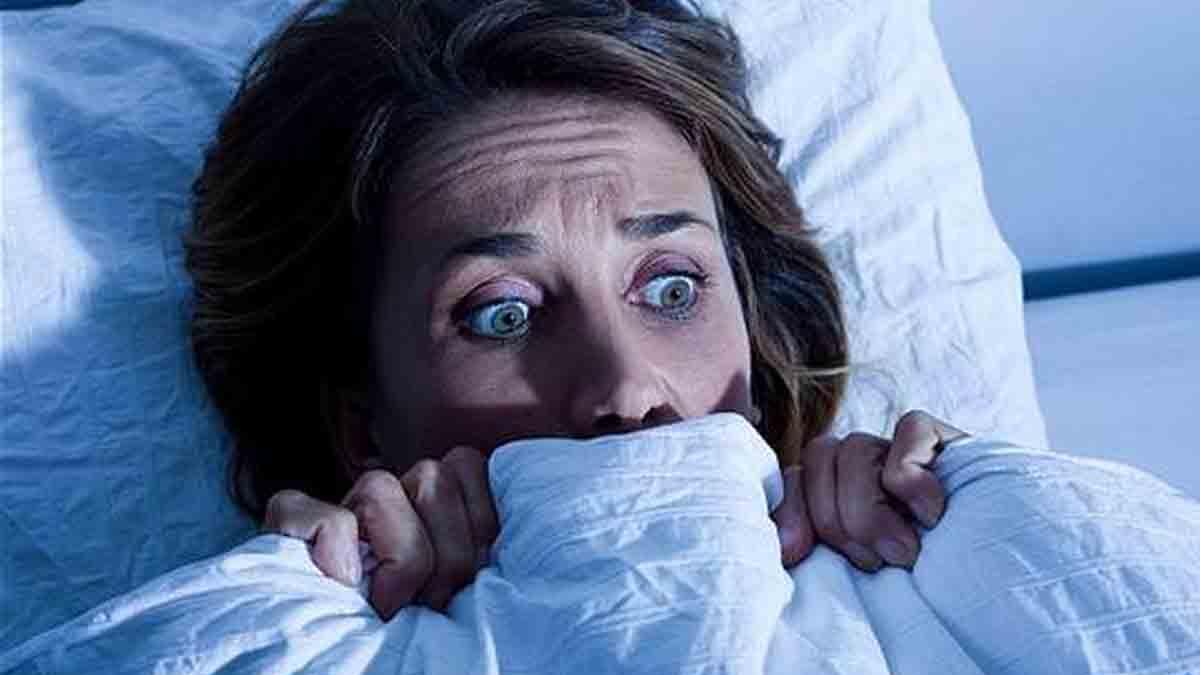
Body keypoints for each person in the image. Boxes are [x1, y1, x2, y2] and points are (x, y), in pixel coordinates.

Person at [184, 0, 967, 620]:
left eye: (672, 289)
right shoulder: (301, 640)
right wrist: (284, 618)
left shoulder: (926, 572)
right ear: (360, 424)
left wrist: (977, 519)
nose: (626, 388)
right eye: (504, 315)